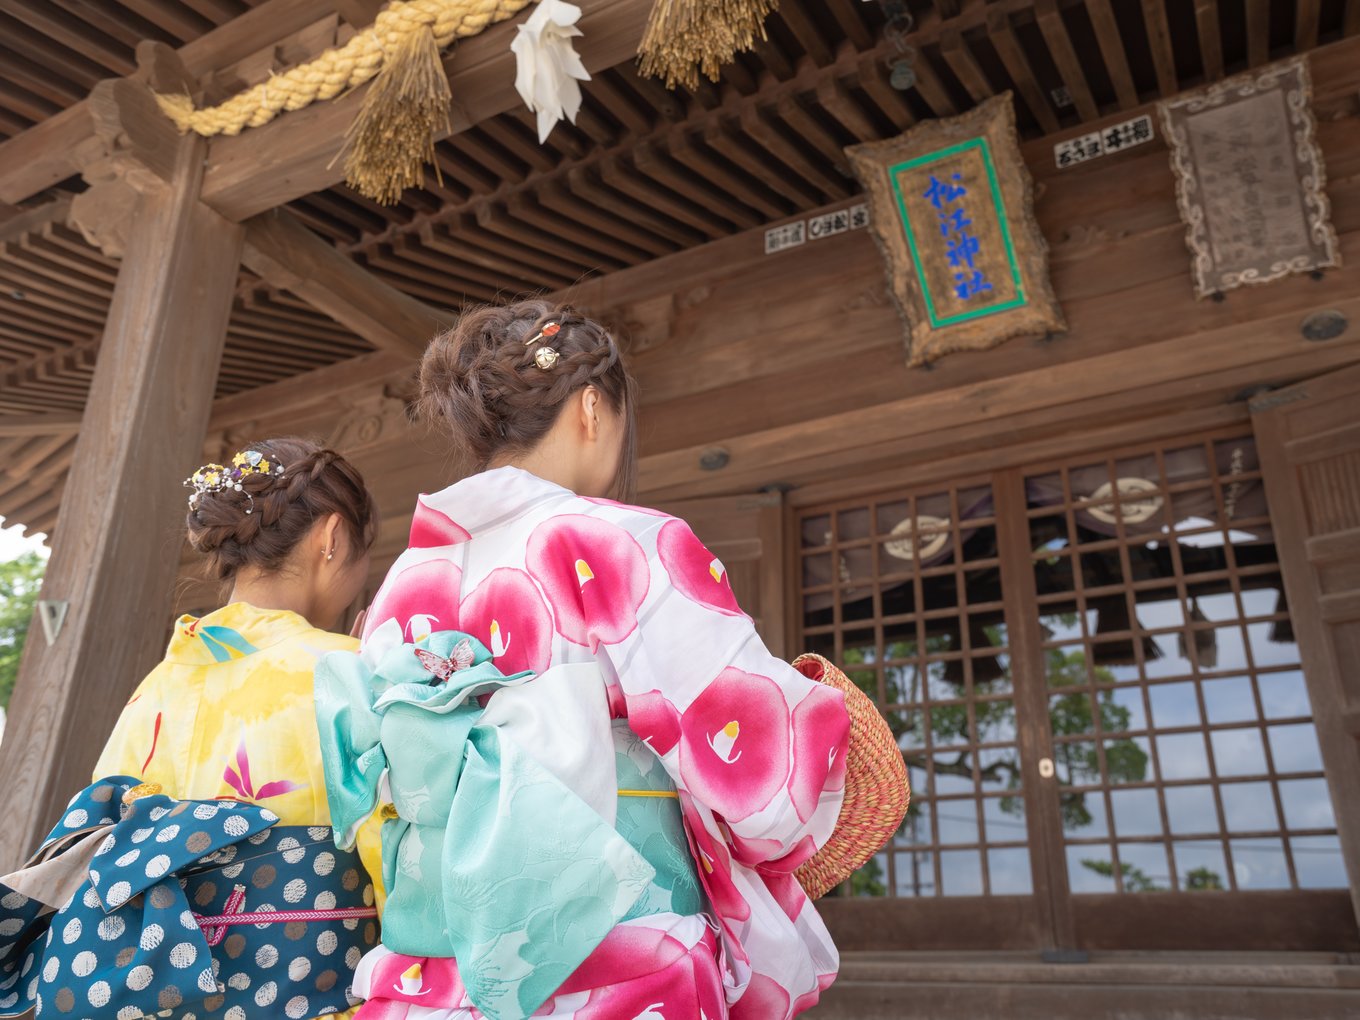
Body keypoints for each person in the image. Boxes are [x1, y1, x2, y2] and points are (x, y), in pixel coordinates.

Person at [317, 301, 851, 1020]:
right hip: (610, 945)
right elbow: (759, 772)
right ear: (592, 408)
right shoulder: (622, 541)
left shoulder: (404, 583)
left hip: (433, 960)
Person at [90, 437, 385, 1019]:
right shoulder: (348, 670)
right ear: (332, 539)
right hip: (313, 994)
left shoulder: (154, 687)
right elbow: (402, 861)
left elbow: (99, 844)